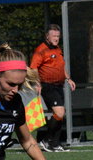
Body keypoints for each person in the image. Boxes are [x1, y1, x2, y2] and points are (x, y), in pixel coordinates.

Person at [29, 24, 76, 152]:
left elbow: (60, 66)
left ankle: (55, 143)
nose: (56, 38)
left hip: (59, 85)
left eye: (58, 36)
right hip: (48, 85)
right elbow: (33, 68)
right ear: (47, 37)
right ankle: (46, 139)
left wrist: (68, 78)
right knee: (59, 112)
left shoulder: (57, 49)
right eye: (54, 36)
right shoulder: (41, 50)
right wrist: (37, 83)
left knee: (60, 114)